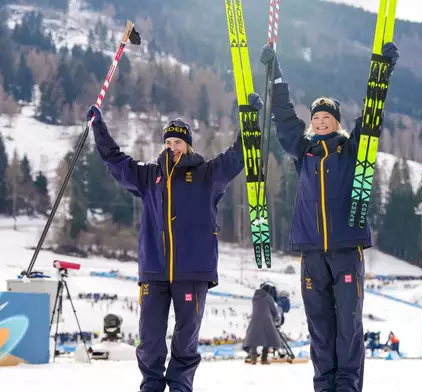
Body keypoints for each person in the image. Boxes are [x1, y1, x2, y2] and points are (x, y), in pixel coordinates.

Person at [254, 41, 399, 392]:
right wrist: (275, 76)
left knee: (348, 324)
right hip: (312, 252)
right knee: (319, 325)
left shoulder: (351, 149)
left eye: (326, 118)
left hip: (346, 249)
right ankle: (325, 385)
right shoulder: (302, 151)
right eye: (316, 118)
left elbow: (372, 118)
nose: (319, 122)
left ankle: (347, 385)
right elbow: (285, 117)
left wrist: (382, 71)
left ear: (336, 122)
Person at [87, 103, 247, 392]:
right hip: (154, 269)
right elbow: (114, 160)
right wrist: (98, 127)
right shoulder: (149, 176)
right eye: (169, 142)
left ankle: (180, 386)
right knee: (149, 338)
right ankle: (151, 385)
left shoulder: (207, 175)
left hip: (193, 270)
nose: (173, 146)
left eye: (178, 142)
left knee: (186, 338)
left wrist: (250, 122)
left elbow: (237, 157)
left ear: (187, 144)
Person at [243, 282, 282, 364]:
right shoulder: (268, 297)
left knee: (254, 339)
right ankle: (264, 359)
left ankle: (253, 359)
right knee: (268, 338)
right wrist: (276, 319)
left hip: (254, 319)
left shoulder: (255, 298)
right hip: (266, 320)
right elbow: (274, 310)